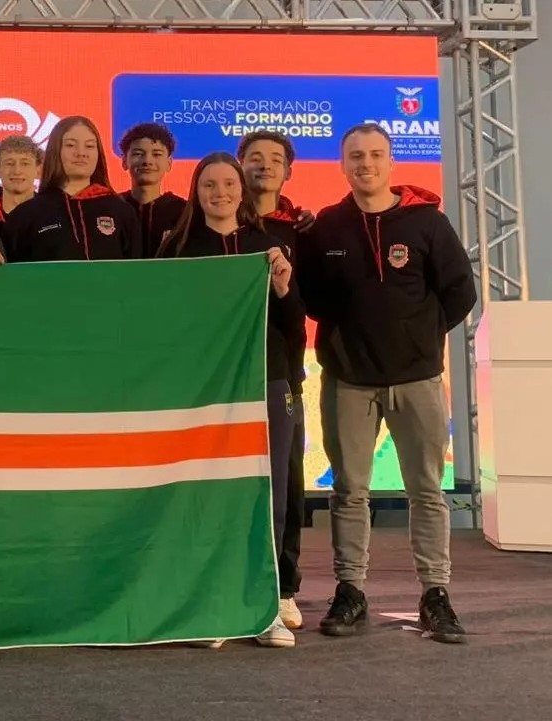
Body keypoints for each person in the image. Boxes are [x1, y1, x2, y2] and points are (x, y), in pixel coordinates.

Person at [297, 123, 476, 644]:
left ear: (391, 162)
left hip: (417, 379)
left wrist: (418, 337)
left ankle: (435, 594)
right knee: (349, 491)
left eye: (376, 154)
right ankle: (350, 590)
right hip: (349, 380)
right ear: (343, 164)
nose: (366, 164)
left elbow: (460, 291)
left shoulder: (427, 222)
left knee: (427, 491)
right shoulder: (328, 227)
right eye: (356, 156)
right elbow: (312, 299)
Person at [160, 152, 302, 649]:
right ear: (195, 192)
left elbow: (294, 325)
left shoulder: (269, 245)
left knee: (269, 497)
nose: (219, 193)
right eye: (209, 185)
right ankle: (210, 607)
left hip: (267, 382)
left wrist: (283, 288)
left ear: (242, 189)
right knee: (206, 496)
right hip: (204, 391)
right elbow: (165, 324)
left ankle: (264, 608)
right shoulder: (178, 249)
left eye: (227, 184)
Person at [238, 130, 310, 632]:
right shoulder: (222, 226)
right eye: (255, 158)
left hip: (282, 374)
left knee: (287, 486)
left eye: (275, 159)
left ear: (288, 170)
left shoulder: (302, 231)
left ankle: (284, 589)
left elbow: (308, 303)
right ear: (239, 164)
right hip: (225, 378)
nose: (265, 165)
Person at [3, 116, 141, 262]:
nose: (81, 153)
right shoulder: (26, 215)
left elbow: (136, 271)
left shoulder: (122, 212)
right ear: (55, 151)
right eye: (70, 145)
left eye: (89, 146)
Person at [118, 122, 186, 258]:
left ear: (169, 163)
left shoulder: (183, 213)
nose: (147, 161)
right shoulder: (113, 208)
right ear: (124, 162)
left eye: (156, 154)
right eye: (138, 154)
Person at [0, 135, 42, 238]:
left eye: (25, 164)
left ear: (38, 170)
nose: (17, 171)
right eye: (9, 163)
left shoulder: (50, 214)